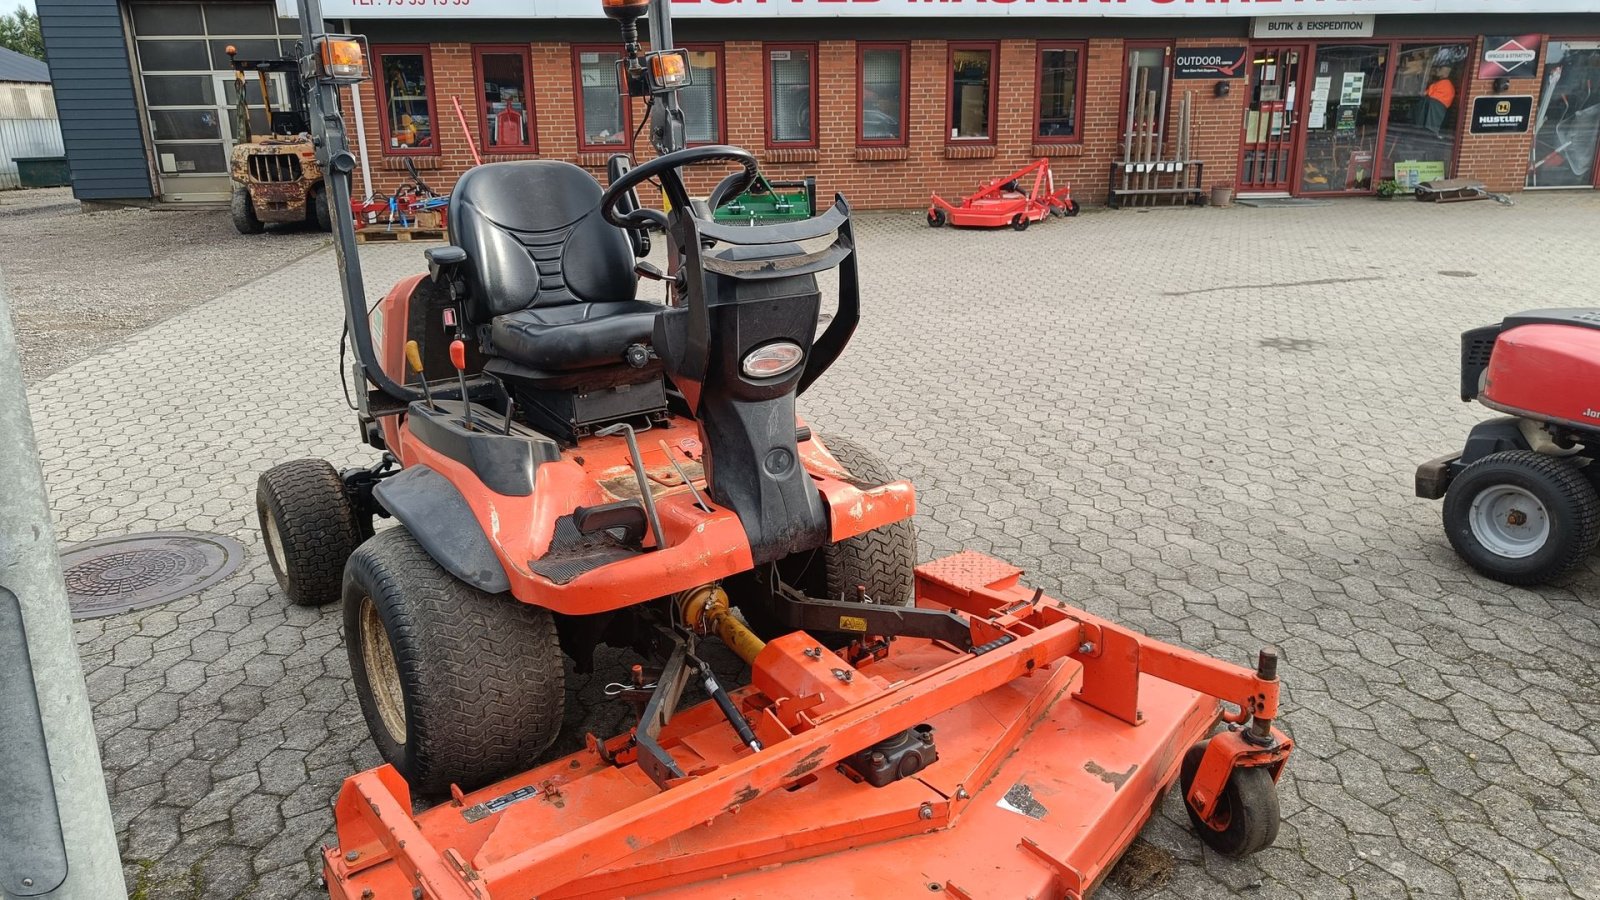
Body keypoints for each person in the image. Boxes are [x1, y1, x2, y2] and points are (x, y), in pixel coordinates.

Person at [1413, 65, 1456, 133]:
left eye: (1440, 69)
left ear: (1445, 73)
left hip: (1436, 106)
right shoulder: (1441, 83)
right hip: (1436, 106)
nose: (1437, 70)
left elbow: (1429, 93)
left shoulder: (1445, 84)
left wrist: (1424, 93)